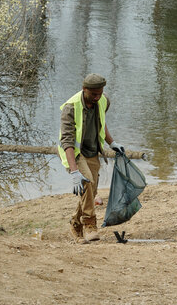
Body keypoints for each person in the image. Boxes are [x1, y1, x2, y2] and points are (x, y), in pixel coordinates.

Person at [58, 73, 125, 243]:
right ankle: (89, 224)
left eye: (100, 93)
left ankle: (75, 223)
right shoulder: (70, 108)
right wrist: (74, 172)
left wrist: (112, 142)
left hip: (93, 151)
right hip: (75, 154)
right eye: (93, 94)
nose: (97, 97)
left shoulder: (102, 100)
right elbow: (66, 142)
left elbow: (102, 121)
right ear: (84, 89)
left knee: (91, 191)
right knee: (86, 182)